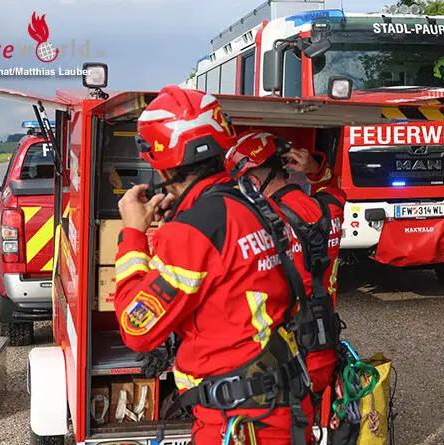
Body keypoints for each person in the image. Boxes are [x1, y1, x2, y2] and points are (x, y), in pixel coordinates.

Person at [113, 85, 311, 444]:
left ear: (159, 161)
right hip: (281, 404)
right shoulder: (255, 205)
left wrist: (131, 234)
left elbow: (137, 329)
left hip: (238, 420)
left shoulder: (194, 231)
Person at [224, 129, 346, 438]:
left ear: (252, 183)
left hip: (285, 359)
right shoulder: (330, 209)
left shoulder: (258, 224)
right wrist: (314, 170)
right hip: (324, 351)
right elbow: (333, 188)